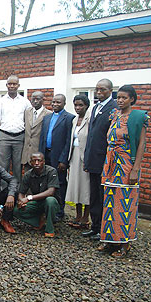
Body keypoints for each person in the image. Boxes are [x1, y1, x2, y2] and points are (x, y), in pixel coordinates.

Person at [98, 85, 148, 257]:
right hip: (110, 163)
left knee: (124, 203)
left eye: (124, 98)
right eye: (118, 97)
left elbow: (142, 144)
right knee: (110, 201)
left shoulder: (138, 117)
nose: (120, 100)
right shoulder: (114, 115)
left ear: (132, 99)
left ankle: (124, 244)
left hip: (126, 164)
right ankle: (110, 240)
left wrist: (135, 169)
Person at [82, 79, 118, 240]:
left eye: (102, 89)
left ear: (110, 90)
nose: (98, 92)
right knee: (94, 196)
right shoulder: (95, 107)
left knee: (103, 195)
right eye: (96, 89)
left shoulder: (114, 109)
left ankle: (104, 229)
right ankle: (95, 226)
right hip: (92, 160)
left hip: (105, 161)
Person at [39, 94, 75, 219]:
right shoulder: (47, 118)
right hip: (46, 155)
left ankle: (59, 211)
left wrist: (63, 160)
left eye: (58, 102)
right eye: (53, 102)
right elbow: (42, 137)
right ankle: (46, 209)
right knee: (45, 182)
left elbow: (68, 141)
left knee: (59, 183)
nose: (55, 104)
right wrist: (40, 156)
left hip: (58, 157)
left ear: (64, 103)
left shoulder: (69, 118)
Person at [0, 75, 31, 182]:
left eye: (14, 84)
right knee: (2, 166)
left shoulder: (25, 102)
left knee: (18, 166)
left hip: (19, 137)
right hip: (4, 137)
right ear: (6, 85)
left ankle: (17, 193)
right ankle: (3, 191)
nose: (12, 86)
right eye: (9, 84)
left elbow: (29, 122)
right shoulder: (1, 101)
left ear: (18, 85)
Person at [14, 152, 61, 237]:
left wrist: (29, 198)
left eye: (39, 160)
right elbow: (21, 192)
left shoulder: (51, 171)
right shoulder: (28, 174)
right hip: (37, 202)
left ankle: (49, 228)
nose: (36, 163)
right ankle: (38, 221)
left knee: (50, 201)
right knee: (16, 210)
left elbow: (51, 192)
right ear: (30, 162)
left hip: (51, 203)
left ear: (44, 162)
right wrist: (21, 202)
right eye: (34, 161)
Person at [65, 95, 91, 228]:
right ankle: (78, 216)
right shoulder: (75, 120)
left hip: (85, 157)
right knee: (76, 186)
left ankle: (86, 218)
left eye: (80, 105)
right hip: (74, 156)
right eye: (75, 105)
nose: (77, 108)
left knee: (85, 188)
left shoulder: (90, 119)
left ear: (86, 105)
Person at [22, 91, 52, 172]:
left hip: (39, 151)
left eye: (38, 99)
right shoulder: (27, 111)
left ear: (43, 100)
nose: (35, 101)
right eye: (33, 99)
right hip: (27, 153)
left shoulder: (48, 114)